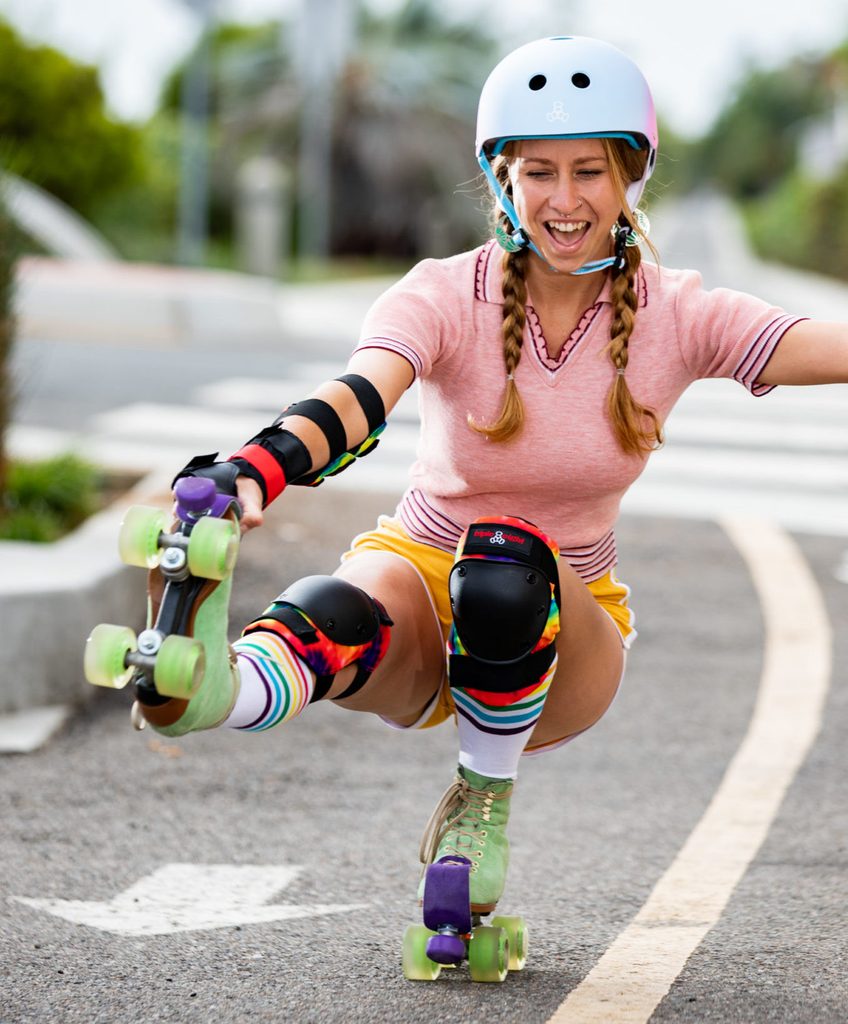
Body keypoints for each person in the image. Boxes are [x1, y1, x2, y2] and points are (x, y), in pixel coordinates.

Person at [125, 36, 848, 919]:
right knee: (328, 615)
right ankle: (209, 687)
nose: (565, 199)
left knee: (505, 561)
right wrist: (256, 466)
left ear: (631, 177)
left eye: (590, 171)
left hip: (563, 629)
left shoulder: (678, 312)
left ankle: (483, 801)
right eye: (539, 171)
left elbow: (817, 345)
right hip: (419, 577)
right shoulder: (441, 293)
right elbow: (358, 398)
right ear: (502, 178)